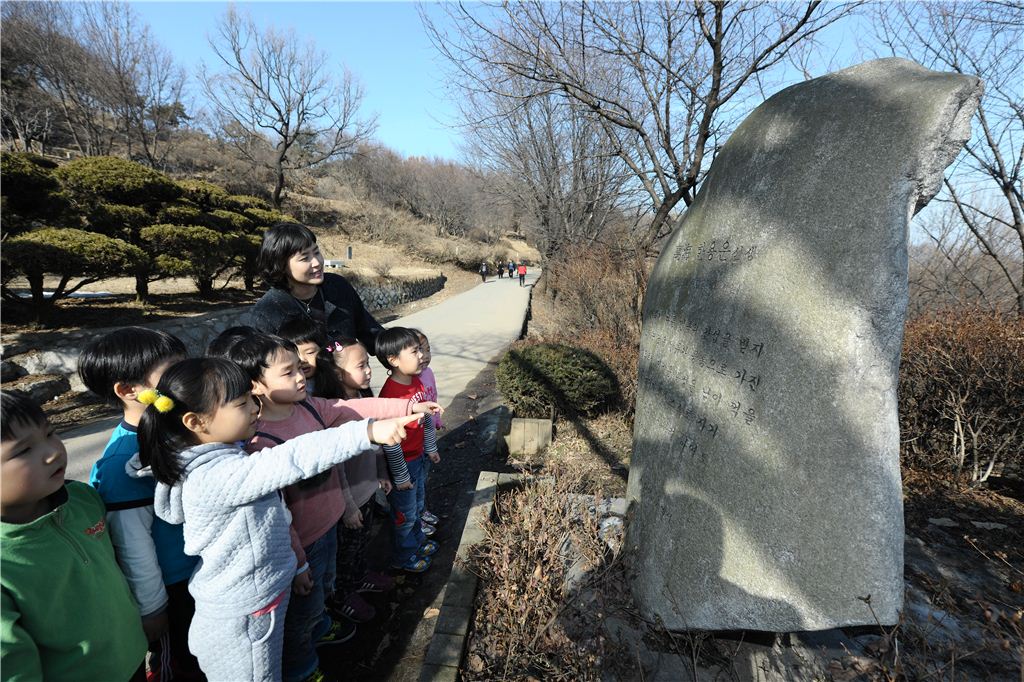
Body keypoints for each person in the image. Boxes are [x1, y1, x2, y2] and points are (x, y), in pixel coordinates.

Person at [139, 357, 420, 682]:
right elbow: (291, 457)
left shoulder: (225, 456)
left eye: (251, 398)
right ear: (195, 421)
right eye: (241, 403)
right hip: (246, 614)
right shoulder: (215, 476)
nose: (254, 408)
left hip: (258, 598)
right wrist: (365, 432)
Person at [227, 335, 440, 682]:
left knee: (325, 586)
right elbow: (276, 514)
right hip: (302, 543)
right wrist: (298, 562)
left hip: (331, 523)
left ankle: (323, 623)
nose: (301, 377)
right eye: (288, 372)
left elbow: (355, 409)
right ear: (255, 384)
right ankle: (301, 668)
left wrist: (406, 409)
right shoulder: (258, 442)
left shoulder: (310, 407)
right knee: (303, 610)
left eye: (299, 368)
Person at [78, 327, 204, 681]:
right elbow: (132, 544)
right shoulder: (122, 462)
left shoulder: (174, 428)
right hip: (173, 589)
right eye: (172, 371)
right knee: (184, 664)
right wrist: (153, 608)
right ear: (128, 390)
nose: (185, 377)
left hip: (198, 572)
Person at [1, 391, 149, 682]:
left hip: (132, 658)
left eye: (50, 433)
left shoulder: (82, 499)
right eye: (23, 451)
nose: (53, 452)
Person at [316, 338, 397, 624]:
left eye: (367, 363)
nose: (369, 370)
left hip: (367, 490)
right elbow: (335, 467)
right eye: (361, 366)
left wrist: (381, 473)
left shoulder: (364, 399)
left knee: (361, 544)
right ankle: (343, 595)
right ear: (337, 374)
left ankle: (361, 578)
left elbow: (376, 445)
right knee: (346, 553)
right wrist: (348, 506)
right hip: (348, 501)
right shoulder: (335, 411)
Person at [250, 223, 384, 353]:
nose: (317, 262)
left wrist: (393, 351)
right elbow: (267, 364)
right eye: (305, 258)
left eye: (316, 252)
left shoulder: (337, 286)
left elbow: (371, 333)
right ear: (281, 266)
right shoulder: (268, 312)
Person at [375, 327, 441, 573]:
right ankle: (404, 557)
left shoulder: (416, 381)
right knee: (405, 515)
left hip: (418, 458)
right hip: (402, 466)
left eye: (421, 350)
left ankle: (417, 543)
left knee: (417, 506)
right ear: (393, 360)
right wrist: (401, 476)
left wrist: (430, 447)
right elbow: (389, 442)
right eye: (414, 351)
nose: (422, 355)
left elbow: (426, 417)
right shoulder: (390, 395)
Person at [409, 328, 442, 532]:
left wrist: (437, 419)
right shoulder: (410, 380)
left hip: (428, 436)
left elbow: (434, 396)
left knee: (423, 477)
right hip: (414, 441)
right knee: (415, 481)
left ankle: (422, 510)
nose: (425, 356)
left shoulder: (428, 373)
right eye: (419, 350)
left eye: (427, 349)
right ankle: (416, 516)